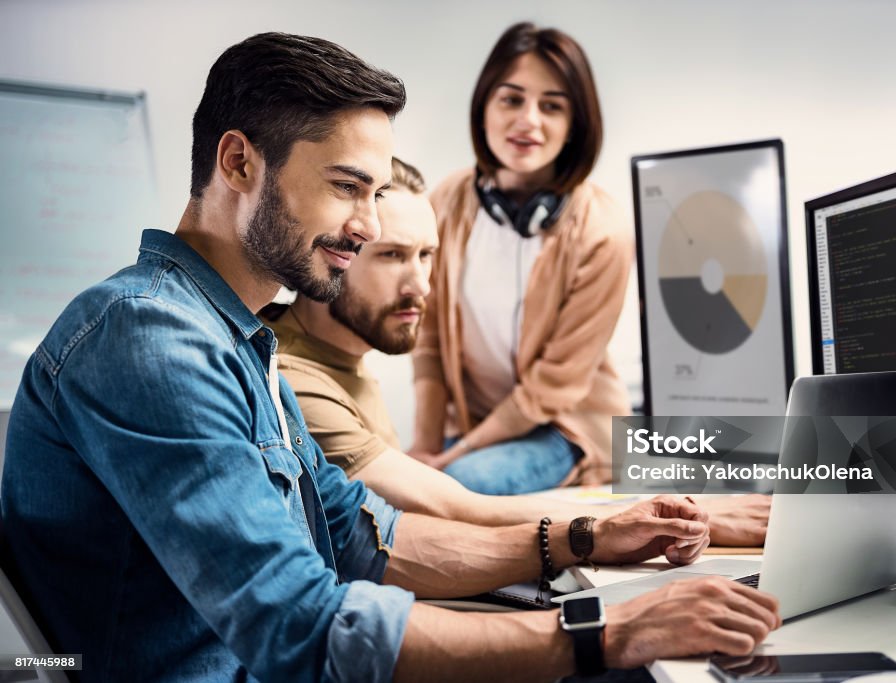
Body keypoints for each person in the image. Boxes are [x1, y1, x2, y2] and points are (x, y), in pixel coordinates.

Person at [0, 33, 779, 683]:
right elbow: (302, 625)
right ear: (238, 164)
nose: (367, 226)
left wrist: (582, 539)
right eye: (347, 188)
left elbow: (360, 537)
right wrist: (604, 629)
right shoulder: (150, 340)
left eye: (376, 194)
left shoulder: (234, 336)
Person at [267, 156, 771, 546]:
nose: (422, 285)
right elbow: (453, 508)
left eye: (427, 256)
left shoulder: (345, 360)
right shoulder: (293, 378)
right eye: (392, 256)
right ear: (333, 252)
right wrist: (685, 519)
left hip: (576, 429)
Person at [411, 22, 633, 495]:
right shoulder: (447, 200)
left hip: (565, 428)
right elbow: (426, 337)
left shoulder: (604, 231)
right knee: (396, 487)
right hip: (476, 423)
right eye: (511, 99)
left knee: (456, 486)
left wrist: (452, 458)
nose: (528, 121)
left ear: (575, 124)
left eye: (551, 106)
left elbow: (554, 386)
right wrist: (424, 449)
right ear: (484, 107)